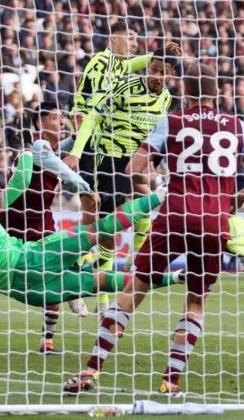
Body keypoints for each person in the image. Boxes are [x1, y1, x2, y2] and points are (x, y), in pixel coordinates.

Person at [63, 63, 244, 396]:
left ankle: (91, 369)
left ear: (184, 93)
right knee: (195, 302)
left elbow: (133, 167)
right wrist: (234, 200)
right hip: (212, 220)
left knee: (133, 291)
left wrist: (151, 184)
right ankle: (170, 380)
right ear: (218, 93)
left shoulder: (170, 121)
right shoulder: (237, 126)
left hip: (174, 214)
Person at [0, 152, 182, 320]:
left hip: (26, 292)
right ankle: (162, 195)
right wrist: (27, 156)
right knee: (99, 230)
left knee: (101, 282)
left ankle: (177, 277)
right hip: (31, 260)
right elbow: (18, 185)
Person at [65, 45, 179, 316]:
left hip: (135, 159)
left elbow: (157, 133)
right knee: (105, 233)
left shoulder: (165, 99)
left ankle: (127, 262)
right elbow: (92, 116)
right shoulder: (124, 86)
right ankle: (83, 280)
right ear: (147, 68)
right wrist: (76, 153)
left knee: (149, 193)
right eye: (154, 70)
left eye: (164, 73)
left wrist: (157, 160)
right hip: (107, 158)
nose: (157, 77)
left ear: (171, 75)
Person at [0, 100, 96, 352]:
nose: (60, 121)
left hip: (41, 217)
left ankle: (47, 339)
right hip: (13, 217)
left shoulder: (53, 147)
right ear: (39, 123)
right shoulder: (39, 147)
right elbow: (65, 171)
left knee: (53, 272)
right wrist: (86, 189)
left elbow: (73, 144)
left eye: (61, 117)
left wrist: (80, 129)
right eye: (54, 118)